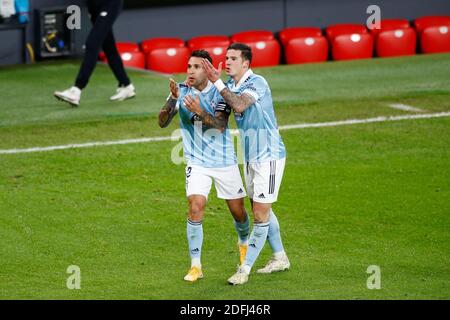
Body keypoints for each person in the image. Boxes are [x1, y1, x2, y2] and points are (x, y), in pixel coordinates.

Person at [201, 43, 290, 285]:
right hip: (251, 157)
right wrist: (199, 108)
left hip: (270, 156)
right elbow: (220, 123)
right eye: (226, 57)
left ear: (246, 64)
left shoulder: (257, 82)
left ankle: (244, 269)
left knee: (261, 213)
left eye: (233, 58)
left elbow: (240, 104)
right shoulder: (229, 87)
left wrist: (217, 84)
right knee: (261, 208)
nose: (227, 61)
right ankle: (280, 257)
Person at [158, 50, 250, 282]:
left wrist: (199, 111)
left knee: (238, 213)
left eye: (196, 67)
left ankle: (243, 243)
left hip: (224, 161)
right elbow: (162, 122)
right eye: (188, 66)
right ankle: (196, 266)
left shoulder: (220, 92)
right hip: (197, 161)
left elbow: (219, 126)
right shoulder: (182, 90)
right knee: (195, 205)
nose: (190, 70)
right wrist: (172, 99)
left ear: (207, 70)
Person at [54, 0, 135, 107]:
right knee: (108, 46)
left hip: (110, 4)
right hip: (94, 7)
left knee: (92, 43)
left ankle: (77, 89)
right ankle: (126, 85)